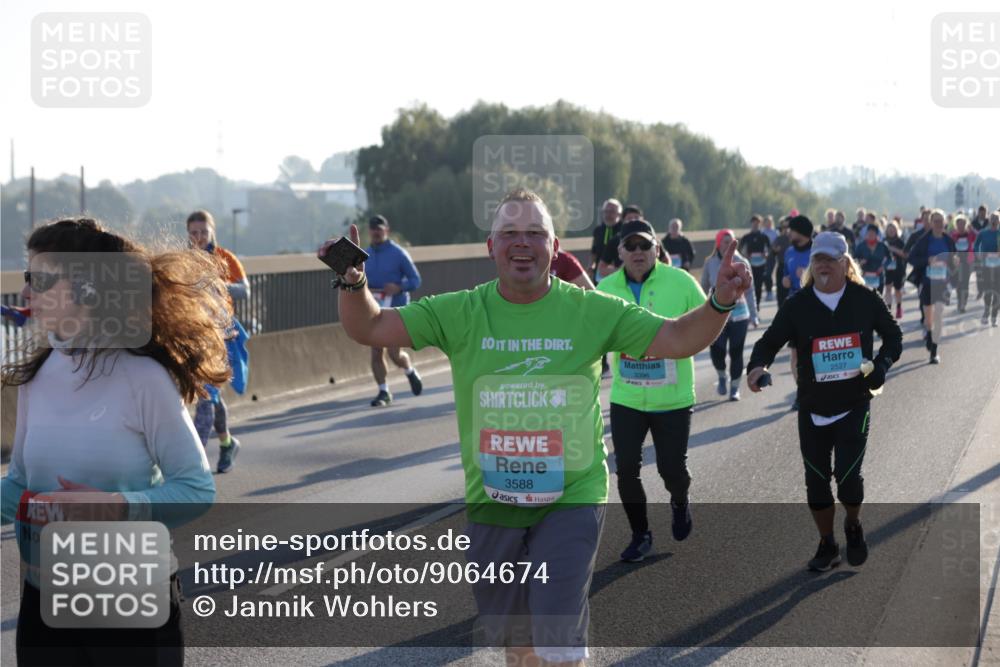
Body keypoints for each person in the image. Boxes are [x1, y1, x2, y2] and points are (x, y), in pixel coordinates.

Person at [319, 188, 751, 666]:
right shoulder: (460, 311)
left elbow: (676, 337)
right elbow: (372, 328)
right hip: (493, 501)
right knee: (520, 646)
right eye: (509, 233)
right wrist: (353, 280)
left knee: (556, 639)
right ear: (491, 247)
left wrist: (720, 300)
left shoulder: (591, 309)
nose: (521, 243)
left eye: (534, 233)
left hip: (572, 495)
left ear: (555, 247)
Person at [1, 217, 220, 666]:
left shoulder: (143, 377)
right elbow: (19, 483)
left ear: (86, 288)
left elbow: (197, 488)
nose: (25, 292)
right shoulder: (36, 378)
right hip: (46, 603)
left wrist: (117, 505)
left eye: (39, 279)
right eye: (28, 278)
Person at [747, 231, 902, 572]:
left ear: (845, 263)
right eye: (817, 258)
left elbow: (894, 337)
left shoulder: (865, 299)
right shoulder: (798, 305)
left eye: (830, 259)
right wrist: (758, 366)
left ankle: (853, 522)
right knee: (816, 482)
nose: (822, 265)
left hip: (854, 403)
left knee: (848, 480)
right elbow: (769, 341)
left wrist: (881, 365)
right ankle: (827, 543)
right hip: (813, 408)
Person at [597, 219, 706, 562]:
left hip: (672, 398)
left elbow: (707, 323)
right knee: (626, 468)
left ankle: (679, 499)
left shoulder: (681, 282)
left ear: (657, 249)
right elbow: (592, 335)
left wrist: (683, 344)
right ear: (620, 252)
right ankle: (641, 534)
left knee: (671, 470)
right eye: (631, 246)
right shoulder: (606, 288)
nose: (639, 252)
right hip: (627, 396)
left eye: (645, 245)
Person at [187, 210, 248, 472]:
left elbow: (245, 289)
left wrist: (218, 287)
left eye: (203, 232)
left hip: (221, 336)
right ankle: (226, 442)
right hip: (192, 333)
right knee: (210, 395)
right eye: (193, 233)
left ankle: (195, 463)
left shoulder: (225, 258)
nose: (199, 238)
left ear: (212, 231)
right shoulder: (184, 260)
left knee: (206, 394)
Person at [363, 215, 424, 407]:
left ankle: (409, 370)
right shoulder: (364, 256)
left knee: (394, 353)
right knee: (375, 351)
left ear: (386, 231)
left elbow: (415, 280)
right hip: (374, 309)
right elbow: (360, 281)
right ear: (369, 232)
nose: (376, 233)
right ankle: (383, 391)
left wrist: (398, 287)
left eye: (379, 229)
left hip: (396, 309)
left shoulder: (398, 253)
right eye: (373, 230)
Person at [702, 229, 758, 400]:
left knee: (736, 353)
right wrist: (700, 312)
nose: (729, 244)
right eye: (725, 241)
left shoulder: (742, 262)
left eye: (732, 241)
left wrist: (754, 314)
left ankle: (735, 388)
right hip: (716, 315)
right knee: (717, 352)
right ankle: (721, 375)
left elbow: (750, 291)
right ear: (718, 244)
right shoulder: (710, 262)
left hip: (739, 315)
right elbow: (703, 287)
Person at [908, 209, 958, 364]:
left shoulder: (948, 241)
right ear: (931, 222)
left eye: (941, 221)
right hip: (927, 282)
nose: (938, 224)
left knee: (939, 314)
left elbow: (954, 260)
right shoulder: (924, 240)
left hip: (942, 283)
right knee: (928, 318)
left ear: (945, 223)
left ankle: (934, 352)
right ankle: (929, 335)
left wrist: (953, 262)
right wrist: (927, 260)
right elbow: (912, 258)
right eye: (935, 221)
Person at [782, 215, 815, 410]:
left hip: (815, 306)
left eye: (791, 230)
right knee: (795, 355)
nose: (788, 233)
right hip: (795, 307)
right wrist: (785, 279)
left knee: (813, 353)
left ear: (800, 231)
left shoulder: (816, 252)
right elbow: (785, 273)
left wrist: (808, 276)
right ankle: (801, 392)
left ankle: (816, 390)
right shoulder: (788, 252)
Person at [596, 204, 643, 279]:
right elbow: (601, 269)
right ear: (623, 221)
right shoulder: (615, 240)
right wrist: (621, 271)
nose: (633, 221)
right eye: (629, 218)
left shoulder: (651, 238)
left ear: (643, 219)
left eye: (636, 218)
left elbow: (665, 260)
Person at [739, 214, 771, 310]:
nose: (755, 225)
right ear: (751, 224)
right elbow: (740, 250)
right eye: (753, 223)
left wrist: (765, 255)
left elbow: (769, 251)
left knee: (758, 286)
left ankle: (757, 307)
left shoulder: (764, 237)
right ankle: (749, 308)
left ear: (760, 224)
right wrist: (745, 256)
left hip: (761, 265)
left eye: (757, 223)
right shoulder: (746, 237)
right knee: (748, 286)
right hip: (749, 265)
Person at [974, 210, 1000, 326]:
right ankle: (986, 312)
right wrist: (979, 255)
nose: (994, 221)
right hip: (986, 266)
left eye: (996, 219)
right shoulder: (983, 233)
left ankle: (994, 315)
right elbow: (976, 245)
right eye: (992, 219)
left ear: (999, 221)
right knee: (988, 291)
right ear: (989, 221)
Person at [590, 198, 622, 282]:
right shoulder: (598, 230)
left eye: (612, 212)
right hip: (599, 275)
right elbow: (594, 252)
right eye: (606, 211)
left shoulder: (624, 231)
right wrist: (591, 266)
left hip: (619, 274)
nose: (608, 215)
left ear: (619, 214)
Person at [950, 215, 977, 313]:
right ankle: (959, 301)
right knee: (958, 283)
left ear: (966, 224)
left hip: (967, 261)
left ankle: (963, 304)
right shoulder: (953, 235)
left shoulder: (970, 234)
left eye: (963, 224)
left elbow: (978, 237)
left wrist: (972, 230)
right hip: (957, 261)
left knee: (965, 283)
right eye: (959, 224)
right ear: (956, 225)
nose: (961, 226)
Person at [854, 224, 890, 293]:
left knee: (878, 300)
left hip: (879, 277)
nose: (870, 235)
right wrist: (860, 262)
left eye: (872, 233)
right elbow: (854, 259)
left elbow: (889, 258)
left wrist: (883, 267)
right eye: (869, 233)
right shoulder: (861, 246)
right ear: (866, 234)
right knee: (866, 300)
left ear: (877, 235)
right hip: (864, 277)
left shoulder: (882, 246)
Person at [883, 220, 907, 319]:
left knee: (897, 290)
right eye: (889, 230)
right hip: (888, 269)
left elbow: (905, 254)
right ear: (886, 231)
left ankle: (899, 307)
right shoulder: (883, 241)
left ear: (897, 230)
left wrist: (893, 249)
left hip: (899, 268)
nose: (891, 231)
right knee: (888, 289)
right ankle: (888, 310)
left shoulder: (900, 241)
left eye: (893, 229)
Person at [772, 217, 792, 308]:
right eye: (784, 226)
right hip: (782, 267)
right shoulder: (779, 238)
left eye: (788, 226)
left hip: (793, 268)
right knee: (781, 295)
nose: (786, 228)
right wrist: (775, 250)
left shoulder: (795, 239)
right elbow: (772, 253)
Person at [761, 215, 778, 300]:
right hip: (763, 256)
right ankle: (768, 291)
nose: (768, 224)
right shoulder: (762, 232)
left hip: (772, 256)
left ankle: (770, 292)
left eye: (769, 222)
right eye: (766, 222)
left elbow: (776, 244)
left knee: (768, 274)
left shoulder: (775, 232)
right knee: (764, 274)